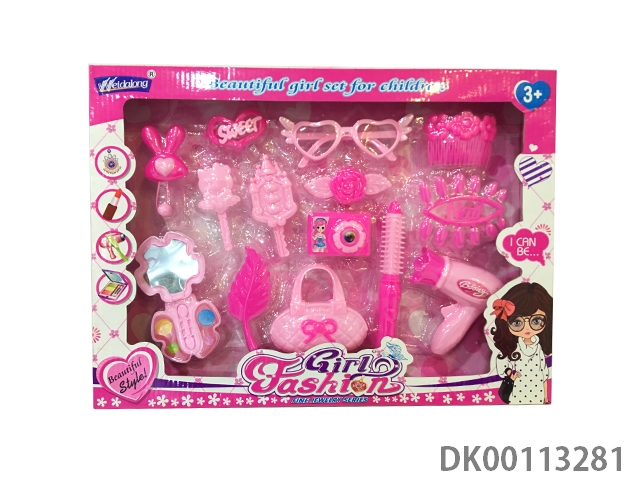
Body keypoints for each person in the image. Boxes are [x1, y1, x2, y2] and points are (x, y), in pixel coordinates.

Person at [490, 282, 552, 405]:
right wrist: (510, 373)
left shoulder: (538, 347)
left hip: (537, 392)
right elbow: (502, 364)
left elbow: (544, 373)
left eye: (536, 321)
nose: (527, 328)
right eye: (517, 323)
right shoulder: (512, 347)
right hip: (518, 390)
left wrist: (546, 396)